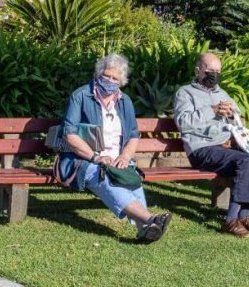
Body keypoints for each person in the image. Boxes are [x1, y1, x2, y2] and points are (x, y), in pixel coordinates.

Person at [56, 53, 171, 243]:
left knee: (131, 179)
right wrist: (95, 157)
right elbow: (69, 134)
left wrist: (125, 156)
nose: (110, 81)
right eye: (106, 76)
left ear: (121, 82)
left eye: (115, 78)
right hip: (83, 160)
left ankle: (145, 230)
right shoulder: (81, 95)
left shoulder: (124, 101)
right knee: (103, 176)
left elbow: (133, 134)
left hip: (116, 159)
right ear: (98, 74)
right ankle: (150, 219)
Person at [174, 52, 249, 238]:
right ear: (198, 70)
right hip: (202, 149)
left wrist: (233, 117)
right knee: (246, 161)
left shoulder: (223, 93)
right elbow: (183, 122)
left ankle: (244, 216)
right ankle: (230, 220)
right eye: (210, 70)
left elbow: (239, 120)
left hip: (226, 147)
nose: (215, 74)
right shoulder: (185, 93)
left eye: (218, 71)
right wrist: (212, 110)